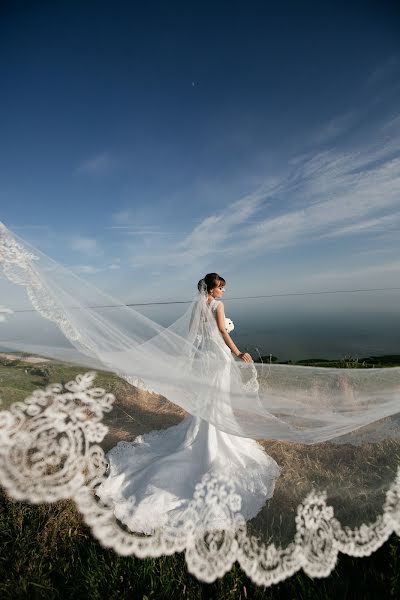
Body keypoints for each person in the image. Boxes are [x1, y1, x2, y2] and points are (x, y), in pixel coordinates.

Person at [96, 273, 281, 534]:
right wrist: (238, 351)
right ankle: (215, 439)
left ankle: (204, 432)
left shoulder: (197, 306)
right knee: (218, 400)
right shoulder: (217, 306)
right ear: (212, 288)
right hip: (217, 358)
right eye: (221, 288)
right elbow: (221, 332)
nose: (223, 292)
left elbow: (194, 336)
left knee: (209, 400)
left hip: (204, 358)